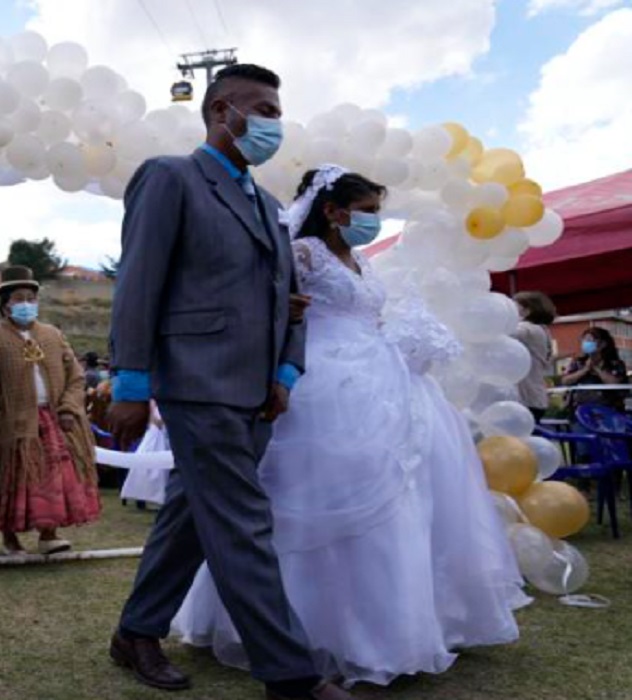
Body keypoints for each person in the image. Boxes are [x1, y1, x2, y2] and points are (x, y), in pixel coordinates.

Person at [172, 165, 522, 687]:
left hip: (382, 375)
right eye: (367, 211)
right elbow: (262, 300)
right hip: (321, 377)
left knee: (402, 492)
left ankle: (389, 628)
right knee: (314, 489)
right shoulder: (302, 252)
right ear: (333, 211)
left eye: (377, 211)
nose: (374, 220)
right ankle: (307, 629)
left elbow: (370, 316)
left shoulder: (362, 261)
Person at [105, 64, 345, 700]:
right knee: (243, 524)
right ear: (220, 110)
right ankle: (291, 676)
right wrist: (130, 384)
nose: (273, 124)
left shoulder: (269, 206)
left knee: (191, 516)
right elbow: (138, 283)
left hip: (258, 392)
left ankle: (136, 632)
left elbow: (291, 297)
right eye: (263, 110)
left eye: (278, 112)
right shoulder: (170, 177)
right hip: (197, 382)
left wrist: (286, 369)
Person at [0, 266, 101, 556]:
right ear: (6, 305)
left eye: (31, 298)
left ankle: (49, 534)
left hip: (52, 420)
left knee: (54, 476)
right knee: (12, 478)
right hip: (8, 422)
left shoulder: (53, 334)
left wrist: (68, 408)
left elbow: (75, 376)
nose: (26, 304)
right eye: (19, 298)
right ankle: (10, 537)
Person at [512, 291, 557, 422]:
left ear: (527, 311)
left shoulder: (527, 329)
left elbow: (501, 334)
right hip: (535, 398)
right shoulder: (542, 330)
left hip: (525, 398)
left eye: (514, 307)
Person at [562, 327, 628, 410]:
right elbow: (565, 380)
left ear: (603, 344)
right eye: (584, 340)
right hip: (579, 409)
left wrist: (597, 369)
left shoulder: (615, 364)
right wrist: (584, 370)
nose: (586, 343)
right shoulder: (578, 362)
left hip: (608, 409)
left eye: (590, 340)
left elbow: (614, 383)